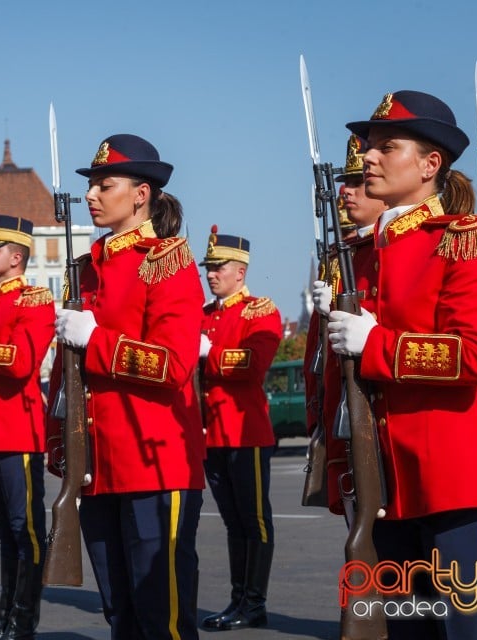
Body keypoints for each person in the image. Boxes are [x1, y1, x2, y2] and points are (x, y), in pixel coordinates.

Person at [328, 90, 477, 639]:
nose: (369, 157)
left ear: (431, 164)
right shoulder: (359, 254)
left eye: (387, 147)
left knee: (469, 630)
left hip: (453, 483)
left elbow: (476, 355)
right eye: (369, 146)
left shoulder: (466, 240)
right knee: (408, 630)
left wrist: (377, 343)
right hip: (382, 483)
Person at [49, 134, 206, 639]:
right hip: (98, 464)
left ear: (141, 194)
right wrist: (61, 441)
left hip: (153, 460)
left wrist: (97, 341)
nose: (92, 195)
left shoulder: (167, 261)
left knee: (162, 615)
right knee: (120, 613)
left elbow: (173, 363)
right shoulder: (88, 269)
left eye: (104, 184)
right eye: (92, 185)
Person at [0, 211, 55, 639]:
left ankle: (23, 622)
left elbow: (21, 363)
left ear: (16, 257)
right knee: (6, 533)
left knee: (26, 532)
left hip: (17, 432)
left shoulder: (34, 301)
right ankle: (6, 618)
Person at [196, 228, 282, 630]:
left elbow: (252, 365)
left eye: (218, 267)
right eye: (209, 268)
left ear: (240, 272)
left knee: (255, 520)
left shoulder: (260, 311)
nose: (211, 274)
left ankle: (254, 603)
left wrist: (210, 354)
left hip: (245, 433)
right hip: (212, 433)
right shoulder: (205, 315)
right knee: (233, 522)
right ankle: (239, 600)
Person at [309, 134, 388, 518]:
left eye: (358, 182)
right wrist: (319, 422)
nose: (346, 190)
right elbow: (318, 359)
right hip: (345, 423)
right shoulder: (344, 257)